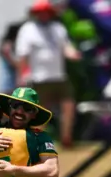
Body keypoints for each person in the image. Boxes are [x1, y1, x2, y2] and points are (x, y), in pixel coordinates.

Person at [15, 0, 81, 148]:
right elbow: (23, 55)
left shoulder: (58, 28)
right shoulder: (28, 29)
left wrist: (73, 54)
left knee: (69, 105)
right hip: (39, 78)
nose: (43, 15)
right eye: (40, 13)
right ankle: (37, 141)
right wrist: (20, 76)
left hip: (59, 76)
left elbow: (66, 47)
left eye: (46, 12)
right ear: (36, 14)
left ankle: (66, 138)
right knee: (40, 112)